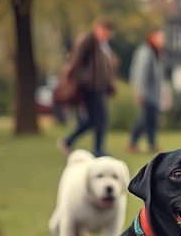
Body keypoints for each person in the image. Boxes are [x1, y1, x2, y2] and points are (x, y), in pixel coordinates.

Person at [60, 17, 116, 156]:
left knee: (93, 119)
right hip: (91, 87)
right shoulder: (89, 41)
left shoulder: (103, 45)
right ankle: (98, 149)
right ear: (99, 28)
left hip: (99, 88)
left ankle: (68, 141)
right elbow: (76, 61)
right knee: (100, 118)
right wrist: (84, 80)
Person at [128, 29, 165, 153]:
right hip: (146, 94)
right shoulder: (145, 52)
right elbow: (140, 74)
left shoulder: (155, 53)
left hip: (153, 95)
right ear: (152, 37)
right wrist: (140, 93)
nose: (162, 41)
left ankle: (152, 144)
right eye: (160, 38)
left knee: (152, 121)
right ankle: (132, 144)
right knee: (143, 120)